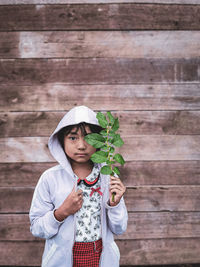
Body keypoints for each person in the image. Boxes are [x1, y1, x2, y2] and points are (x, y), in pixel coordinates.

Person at [29, 105, 128, 267]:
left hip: (101, 258)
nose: (81, 145)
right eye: (73, 138)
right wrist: (61, 213)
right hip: (63, 260)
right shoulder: (50, 178)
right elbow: (37, 228)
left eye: (89, 138)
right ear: (61, 140)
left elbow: (120, 229)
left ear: (99, 141)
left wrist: (114, 205)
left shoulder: (108, 176)